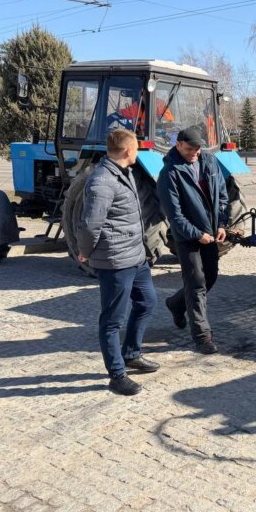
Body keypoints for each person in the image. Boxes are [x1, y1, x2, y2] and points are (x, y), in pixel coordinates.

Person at [76, 128, 159, 396]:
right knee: (112, 320)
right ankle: (117, 374)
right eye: (136, 148)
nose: (138, 152)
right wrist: (85, 251)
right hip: (115, 260)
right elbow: (90, 225)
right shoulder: (101, 181)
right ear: (127, 151)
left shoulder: (125, 173)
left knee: (147, 301)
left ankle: (132, 353)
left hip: (136, 255)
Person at [157, 126, 230, 354]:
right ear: (178, 144)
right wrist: (197, 233)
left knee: (210, 277)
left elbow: (222, 195)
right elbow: (175, 215)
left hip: (210, 233)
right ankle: (202, 337)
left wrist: (221, 224)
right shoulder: (169, 173)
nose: (194, 153)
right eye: (189, 149)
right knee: (196, 282)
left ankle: (176, 304)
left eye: (197, 149)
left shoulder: (210, 162)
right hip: (187, 237)